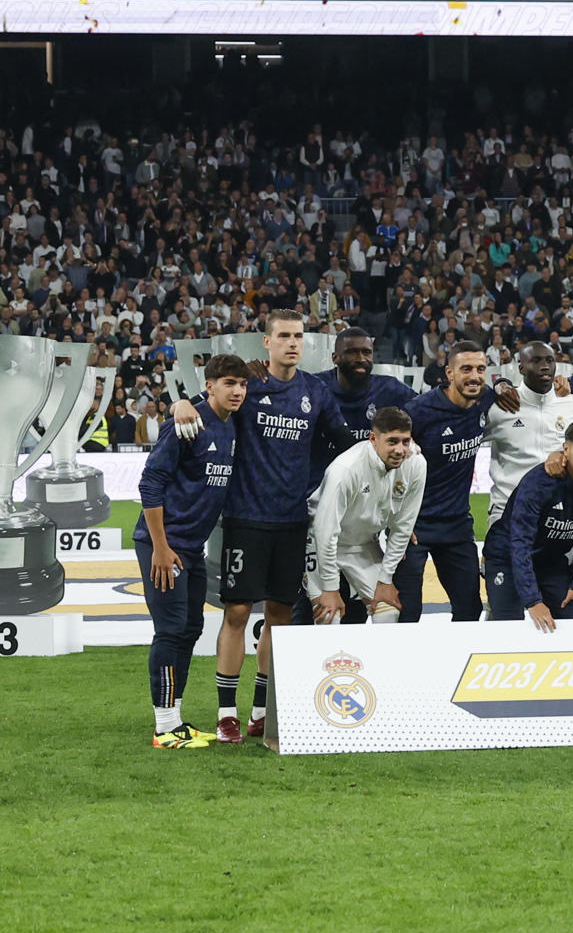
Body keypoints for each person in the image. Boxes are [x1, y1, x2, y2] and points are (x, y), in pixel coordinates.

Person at [174, 309, 348, 743]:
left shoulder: (316, 391)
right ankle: (227, 713)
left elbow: (344, 442)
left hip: (292, 522)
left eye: (298, 336)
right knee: (236, 613)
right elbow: (205, 409)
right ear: (266, 343)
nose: (292, 343)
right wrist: (179, 404)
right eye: (284, 336)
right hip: (245, 518)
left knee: (280, 616)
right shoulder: (247, 386)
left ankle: (261, 710)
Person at [136, 354, 247, 749]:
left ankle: (175, 719)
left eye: (242, 384)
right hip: (163, 545)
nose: (237, 391)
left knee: (190, 629)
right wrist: (161, 548)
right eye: (229, 383)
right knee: (170, 630)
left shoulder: (232, 424)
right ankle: (164, 726)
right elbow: (150, 484)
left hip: (191, 548)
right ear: (210, 385)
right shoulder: (186, 423)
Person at [397, 341, 495, 623]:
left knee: (469, 609)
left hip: (456, 524)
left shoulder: (484, 399)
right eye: (466, 369)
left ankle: (454, 666)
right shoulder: (419, 412)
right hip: (416, 526)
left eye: (480, 369)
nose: (474, 376)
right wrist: (396, 520)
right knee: (407, 612)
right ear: (449, 373)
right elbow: (387, 466)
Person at [302, 406, 424, 626]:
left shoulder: (416, 464)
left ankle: (377, 662)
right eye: (392, 441)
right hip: (320, 543)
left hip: (364, 544)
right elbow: (325, 531)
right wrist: (330, 587)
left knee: (387, 612)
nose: (400, 450)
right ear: (373, 439)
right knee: (328, 616)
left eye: (405, 441)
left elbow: (403, 527)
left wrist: (386, 580)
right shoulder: (345, 469)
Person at [484, 419, 573, 629]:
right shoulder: (538, 484)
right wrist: (533, 601)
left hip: (550, 563)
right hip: (507, 558)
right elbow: (519, 544)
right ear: (565, 449)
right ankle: (496, 610)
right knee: (508, 626)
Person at [484, 341, 573, 525]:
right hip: (507, 513)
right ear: (521, 368)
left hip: (556, 514)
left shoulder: (571, 403)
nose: (545, 366)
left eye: (550, 361)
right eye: (536, 361)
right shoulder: (500, 408)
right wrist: (500, 385)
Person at [318, 328, 415, 448]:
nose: (361, 359)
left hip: (374, 467)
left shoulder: (389, 388)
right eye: (352, 352)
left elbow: (425, 409)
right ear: (335, 358)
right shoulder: (316, 387)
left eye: (366, 352)